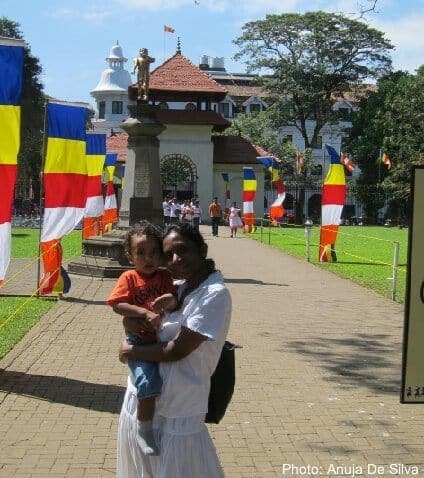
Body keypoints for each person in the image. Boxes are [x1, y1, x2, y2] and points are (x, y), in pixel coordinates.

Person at [117, 223, 232, 478]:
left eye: (183, 251)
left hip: (181, 407)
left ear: (202, 250)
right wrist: (130, 323)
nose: (176, 260)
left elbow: (177, 350)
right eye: (168, 255)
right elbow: (136, 318)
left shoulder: (214, 295)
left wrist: (131, 351)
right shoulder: (177, 287)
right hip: (143, 401)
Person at [107, 221, 177, 455]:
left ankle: (160, 424)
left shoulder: (165, 277)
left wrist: (169, 300)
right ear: (129, 256)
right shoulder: (128, 277)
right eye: (141, 253)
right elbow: (117, 304)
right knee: (147, 383)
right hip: (139, 341)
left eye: (154, 253)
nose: (148, 259)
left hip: (161, 338)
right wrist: (143, 312)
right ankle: (143, 429)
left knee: (168, 383)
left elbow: (175, 299)